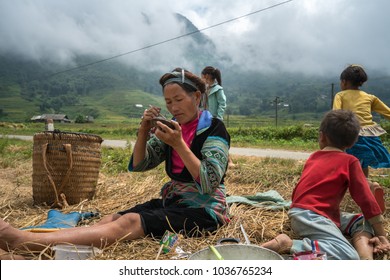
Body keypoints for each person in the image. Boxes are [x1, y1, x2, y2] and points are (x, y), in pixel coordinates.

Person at [0, 68, 231, 258]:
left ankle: (23, 242)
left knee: (130, 221)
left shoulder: (213, 129)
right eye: (168, 102)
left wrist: (179, 144)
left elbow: (210, 183)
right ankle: (45, 247)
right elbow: (140, 165)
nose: (173, 107)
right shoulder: (170, 128)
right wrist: (143, 131)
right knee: (112, 218)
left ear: (197, 97)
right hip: (175, 201)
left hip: (205, 210)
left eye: (179, 100)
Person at [261, 110, 390, 260]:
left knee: (361, 221)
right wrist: (382, 234)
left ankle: (365, 257)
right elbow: (365, 199)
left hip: (306, 212)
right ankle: (290, 245)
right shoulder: (350, 161)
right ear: (353, 142)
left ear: (322, 136)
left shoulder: (313, 157)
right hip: (312, 216)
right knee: (347, 255)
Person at [333, 64, 388, 213]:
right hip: (370, 136)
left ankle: (364, 191)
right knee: (362, 165)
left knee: (345, 166)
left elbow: (337, 114)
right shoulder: (370, 97)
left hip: (351, 134)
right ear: (360, 82)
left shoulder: (340, 95)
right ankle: (370, 189)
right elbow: (388, 113)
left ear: (344, 82)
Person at [201, 66, 235, 167]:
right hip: (204, 118)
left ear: (206, 76)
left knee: (220, 140)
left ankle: (229, 161)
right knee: (204, 140)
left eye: (202, 75)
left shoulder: (218, 89)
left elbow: (222, 104)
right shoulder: (204, 89)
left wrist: (219, 118)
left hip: (215, 119)